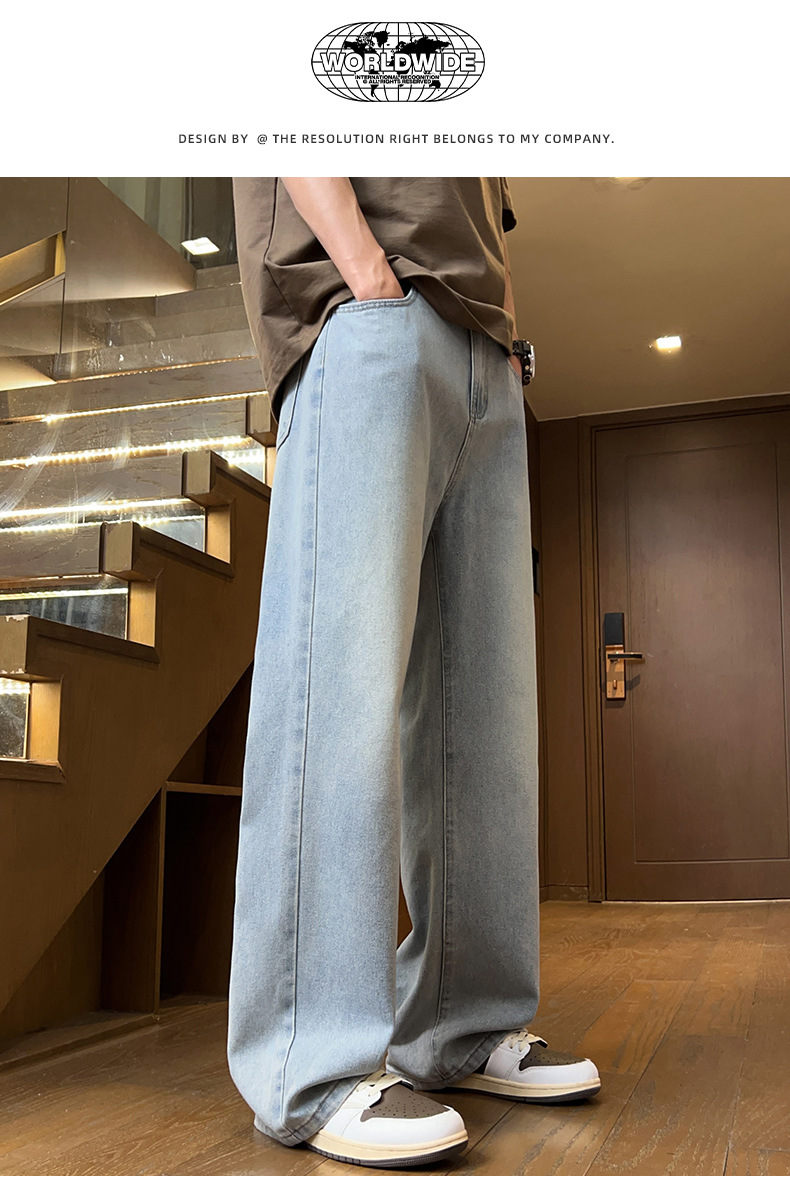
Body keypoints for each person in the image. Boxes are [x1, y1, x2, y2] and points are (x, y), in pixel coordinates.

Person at [226, 177, 600, 1170]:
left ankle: (462, 1026)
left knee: (486, 722)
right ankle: (309, 1061)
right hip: (366, 313)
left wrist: (503, 338)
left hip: (482, 353)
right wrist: (366, 276)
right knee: (336, 702)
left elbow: (483, 212)